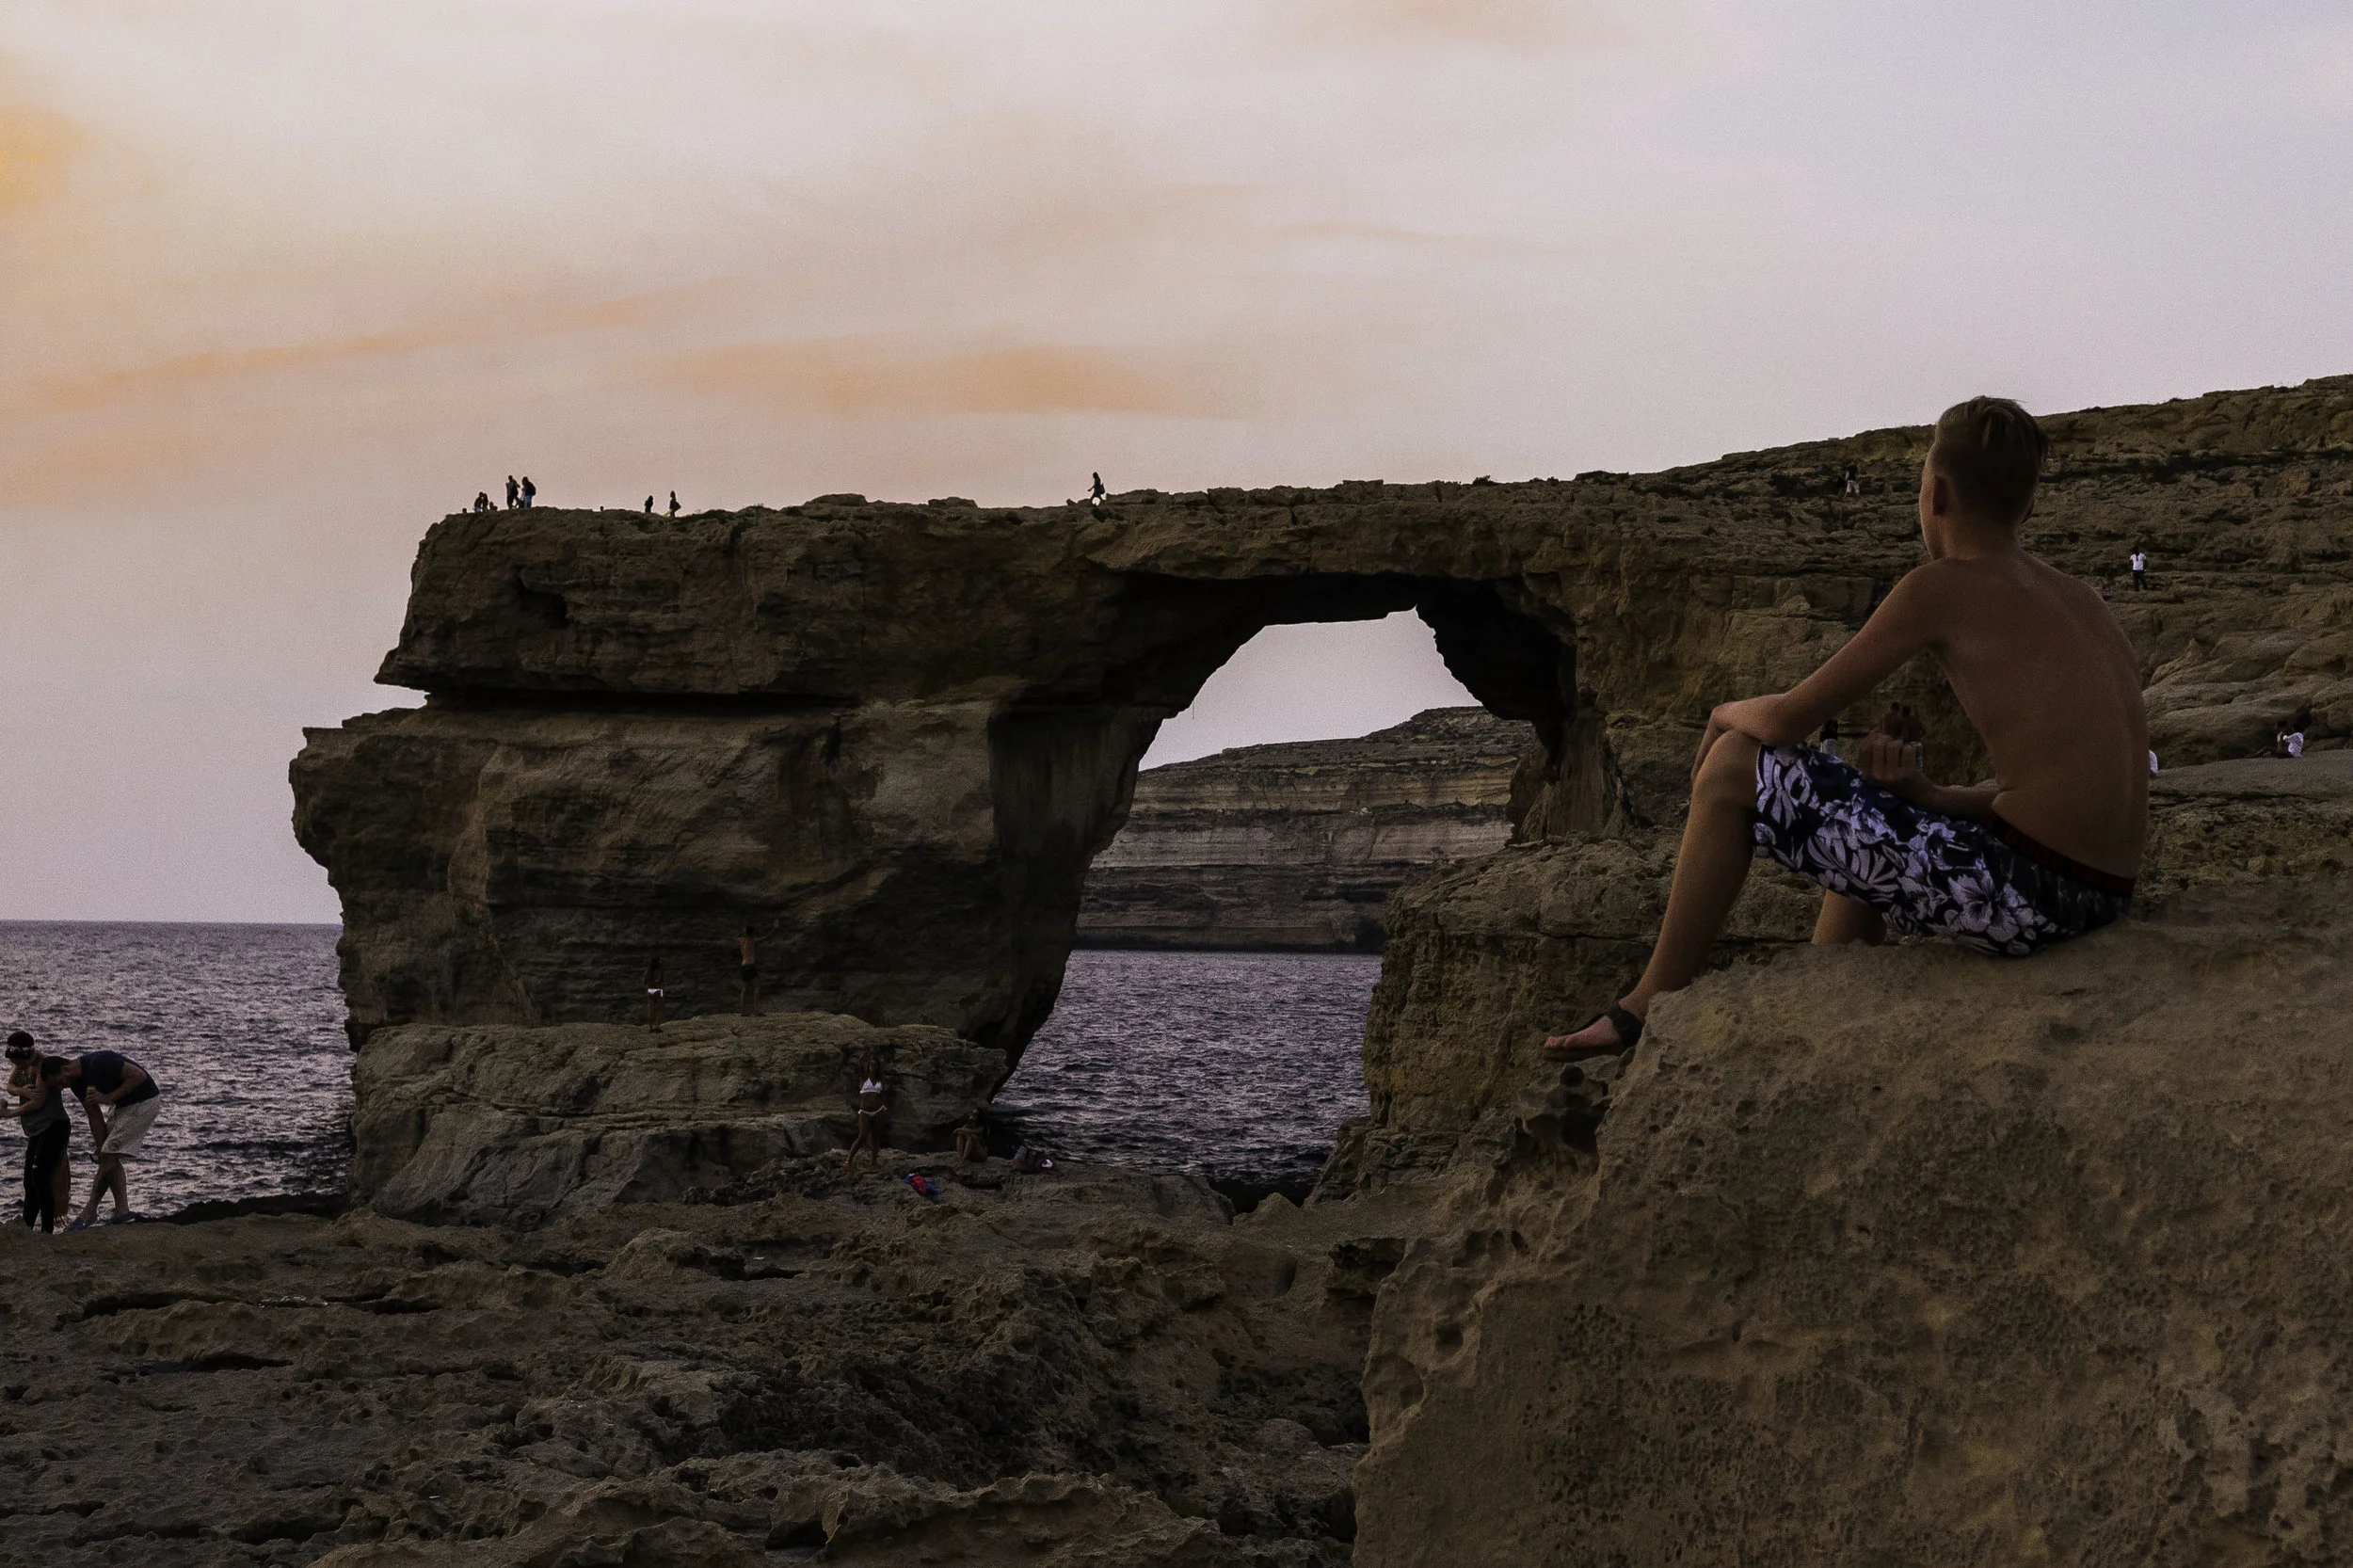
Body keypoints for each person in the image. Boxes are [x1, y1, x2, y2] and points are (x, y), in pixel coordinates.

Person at [1544, 396, 2147, 1060]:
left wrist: (1722, 715)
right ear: (2026, 507)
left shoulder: (1940, 586)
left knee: (1733, 766)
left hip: (2027, 903)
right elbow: (2065, 802)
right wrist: (1933, 797)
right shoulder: (2082, 599)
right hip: (2098, 897)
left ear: (1936, 494)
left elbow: (1782, 722)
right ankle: (1829, 987)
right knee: (1875, 802)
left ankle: (1642, 1007)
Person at [47, 1049, 162, 1228]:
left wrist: (109, 1098)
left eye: (60, 1082)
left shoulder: (100, 1062)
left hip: (144, 1102)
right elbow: (94, 1115)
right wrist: (100, 1146)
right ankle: (122, 1212)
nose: (62, 1087)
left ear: (65, 1069)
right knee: (107, 1155)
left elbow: (139, 1076)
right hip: (124, 1107)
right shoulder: (77, 1084)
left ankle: (89, 1211)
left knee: (110, 1157)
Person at [7, 1033, 70, 1234]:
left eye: (17, 1061)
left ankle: (47, 1230)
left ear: (29, 1054)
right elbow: (10, 1086)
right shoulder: (21, 1065)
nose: (16, 1065)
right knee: (29, 1181)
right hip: (36, 1131)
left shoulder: (43, 1065)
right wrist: (21, 1091)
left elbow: (38, 1101)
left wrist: (9, 1114)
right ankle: (27, 1227)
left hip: (54, 1127)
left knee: (40, 1178)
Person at [847, 1060, 888, 1176]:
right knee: (862, 1136)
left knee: (875, 1136)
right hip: (865, 1111)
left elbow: (882, 1094)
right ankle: (848, 1161)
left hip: (879, 1111)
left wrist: (884, 1106)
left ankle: (874, 1162)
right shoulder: (863, 1077)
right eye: (871, 1065)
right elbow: (860, 1062)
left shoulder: (880, 1079)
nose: (873, 1067)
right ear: (868, 1066)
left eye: (875, 1065)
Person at [734, 922, 777, 1016]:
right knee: (757, 986)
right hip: (750, 965)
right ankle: (756, 1010)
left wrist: (742, 932)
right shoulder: (752, 940)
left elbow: (735, 937)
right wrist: (774, 929)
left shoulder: (741, 940)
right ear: (752, 932)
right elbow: (767, 937)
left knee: (744, 989)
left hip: (743, 966)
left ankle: (742, 1011)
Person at [644, 957, 666, 1031]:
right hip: (659, 990)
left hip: (650, 990)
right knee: (660, 1009)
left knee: (651, 1009)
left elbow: (644, 981)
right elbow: (662, 980)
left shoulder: (648, 971)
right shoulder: (660, 971)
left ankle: (650, 1026)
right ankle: (657, 1025)